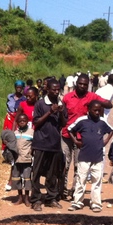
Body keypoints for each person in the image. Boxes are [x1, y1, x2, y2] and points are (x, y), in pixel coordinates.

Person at [61, 74, 112, 200]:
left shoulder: (92, 96)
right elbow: (62, 116)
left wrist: (100, 103)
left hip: (82, 137)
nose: (82, 86)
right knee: (64, 164)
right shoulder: (67, 98)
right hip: (67, 134)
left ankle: (74, 191)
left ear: (88, 85)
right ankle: (61, 190)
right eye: (80, 84)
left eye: (85, 84)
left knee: (79, 166)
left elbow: (109, 104)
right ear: (76, 83)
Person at [68, 101, 113, 212]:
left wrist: (106, 141)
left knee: (96, 181)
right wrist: (75, 141)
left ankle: (96, 203)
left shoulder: (102, 122)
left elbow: (111, 130)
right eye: (95, 110)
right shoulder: (82, 120)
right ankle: (78, 202)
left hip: (98, 157)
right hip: (84, 156)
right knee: (81, 180)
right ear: (89, 110)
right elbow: (70, 129)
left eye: (99, 110)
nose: (97, 112)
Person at [30, 79, 66, 211]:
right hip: (41, 143)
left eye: (58, 90)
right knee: (37, 172)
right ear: (48, 90)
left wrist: (61, 112)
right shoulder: (40, 104)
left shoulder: (60, 103)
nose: (56, 92)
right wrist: (50, 112)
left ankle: (51, 198)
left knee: (52, 174)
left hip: (54, 144)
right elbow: (36, 122)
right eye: (54, 89)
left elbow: (63, 124)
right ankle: (36, 200)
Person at [10, 112, 34, 204]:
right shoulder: (15, 133)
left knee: (27, 179)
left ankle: (27, 198)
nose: (22, 122)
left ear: (27, 122)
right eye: (20, 121)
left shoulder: (31, 132)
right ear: (17, 122)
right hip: (17, 160)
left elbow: (34, 145)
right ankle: (20, 197)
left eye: (24, 120)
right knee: (17, 178)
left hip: (27, 159)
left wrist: (31, 153)